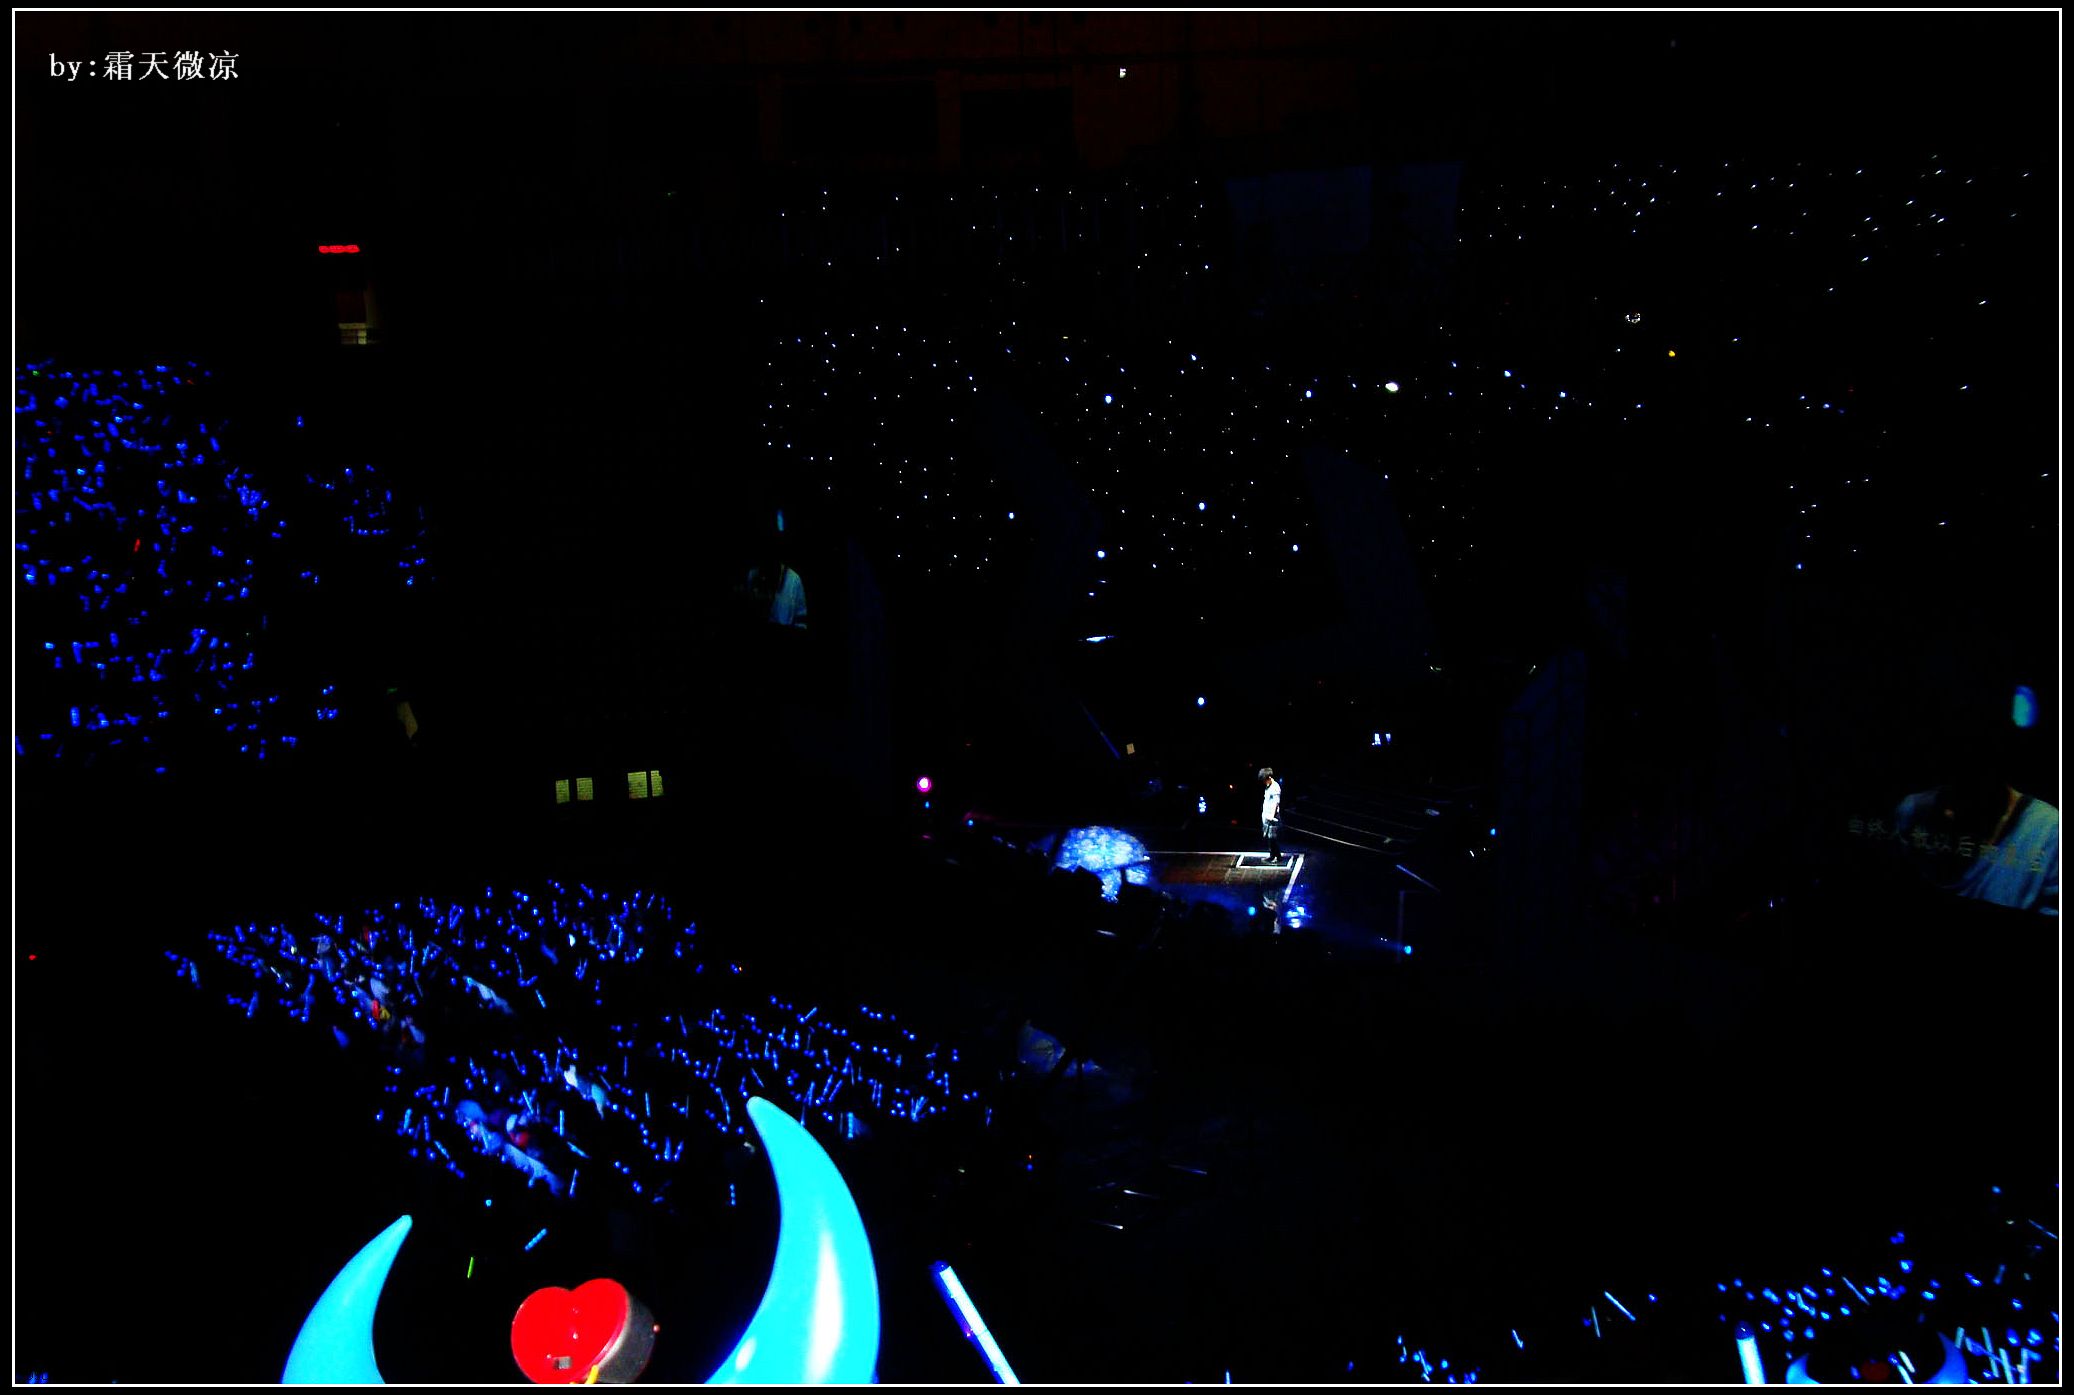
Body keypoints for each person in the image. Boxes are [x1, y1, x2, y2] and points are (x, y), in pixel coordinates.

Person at [1260, 767, 1284, 863]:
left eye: (1264, 780)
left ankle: (1277, 856)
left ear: (1269, 778)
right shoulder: (1268, 787)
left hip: (1272, 816)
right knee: (1268, 837)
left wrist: (1272, 816)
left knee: (1272, 837)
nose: (1264, 782)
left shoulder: (1275, 787)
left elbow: (1276, 803)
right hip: (1266, 815)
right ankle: (1272, 855)